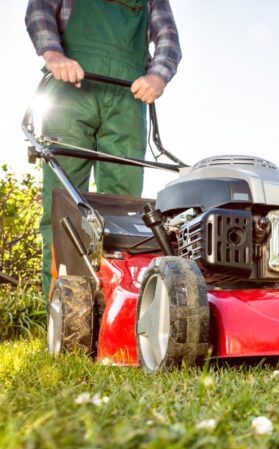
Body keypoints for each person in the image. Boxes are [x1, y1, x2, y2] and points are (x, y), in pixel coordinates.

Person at [25, 0, 182, 299]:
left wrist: (157, 76)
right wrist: (54, 54)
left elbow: (168, 38)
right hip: (69, 93)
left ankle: (116, 305)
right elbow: (39, 9)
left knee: (126, 210)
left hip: (128, 98)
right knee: (64, 206)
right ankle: (62, 310)